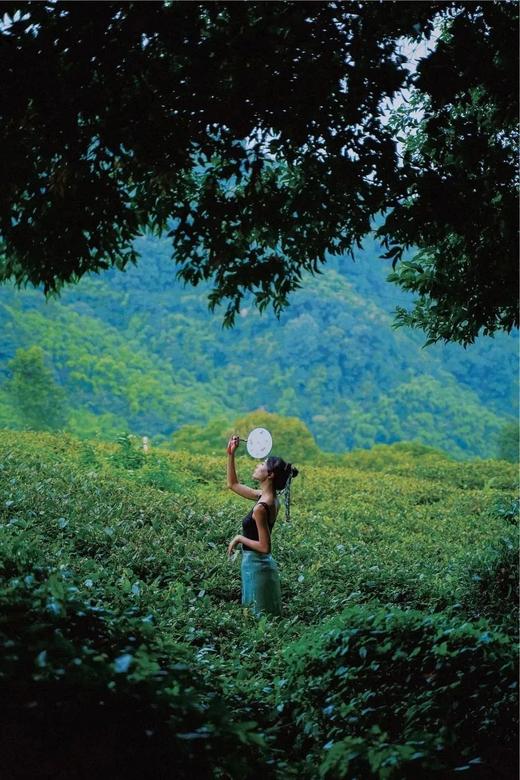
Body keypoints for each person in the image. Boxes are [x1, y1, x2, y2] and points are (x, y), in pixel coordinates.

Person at [226, 434, 298, 617]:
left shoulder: (261, 507)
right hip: (260, 567)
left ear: (270, 475)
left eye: (262, 465)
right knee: (264, 620)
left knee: (256, 618)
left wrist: (239, 538)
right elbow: (233, 485)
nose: (257, 465)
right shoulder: (269, 499)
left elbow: (265, 547)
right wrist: (231, 454)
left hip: (257, 566)